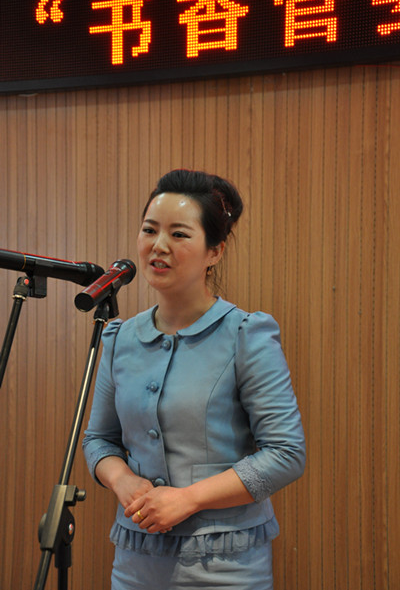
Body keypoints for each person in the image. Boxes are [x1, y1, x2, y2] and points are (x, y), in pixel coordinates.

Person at [83, 169, 306, 590]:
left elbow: (286, 453)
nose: (159, 245)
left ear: (214, 252)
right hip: (135, 561)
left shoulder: (246, 334)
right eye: (150, 229)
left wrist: (188, 499)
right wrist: (122, 479)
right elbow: (98, 440)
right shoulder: (119, 337)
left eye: (179, 234)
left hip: (225, 564)